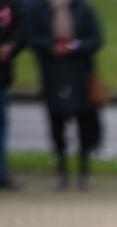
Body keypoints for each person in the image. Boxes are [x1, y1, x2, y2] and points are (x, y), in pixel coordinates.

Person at [24, 0, 102, 189]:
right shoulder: (40, 10)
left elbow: (96, 39)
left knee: (84, 123)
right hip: (53, 74)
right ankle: (61, 172)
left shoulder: (83, 9)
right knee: (56, 125)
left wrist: (75, 46)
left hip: (80, 74)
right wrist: (51, 46)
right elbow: (30, 37)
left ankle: (84, 172)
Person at [0, 0, 23, 190]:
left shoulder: (13, 11)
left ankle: (2, 172)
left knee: (2, 127)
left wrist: (11, 48)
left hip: (2, 78)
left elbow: (22, 35)